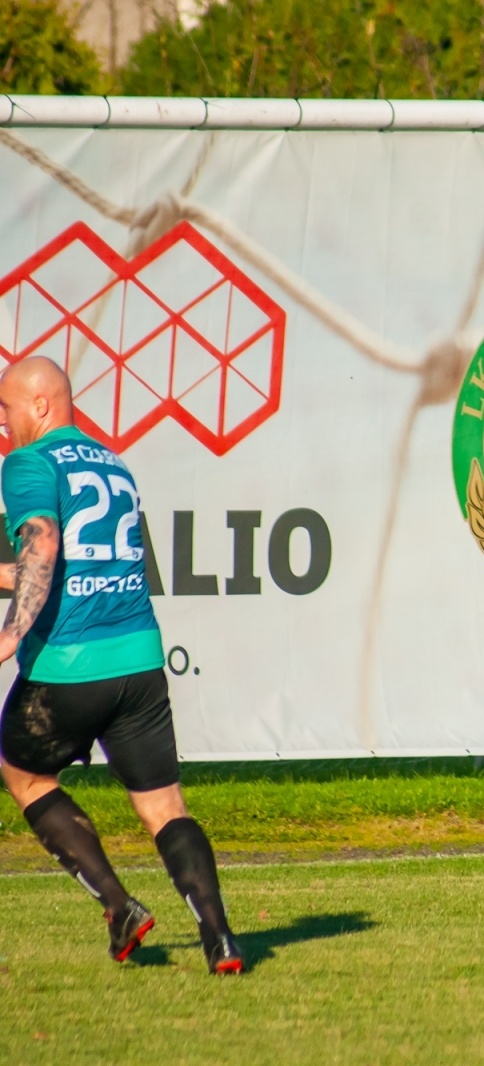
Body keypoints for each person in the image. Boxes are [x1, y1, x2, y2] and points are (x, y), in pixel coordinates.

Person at [0, 356, 243, 973]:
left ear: (40, 405)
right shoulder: (112, 463)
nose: (3, 421)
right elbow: (73, 563)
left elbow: (43, 545)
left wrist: (11, 634)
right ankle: (220, 938)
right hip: (138, 662)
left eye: (6, 407)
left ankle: (119, 905)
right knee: (165, 808)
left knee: (24, 775)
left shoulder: (27, 462)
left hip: (68, 665)